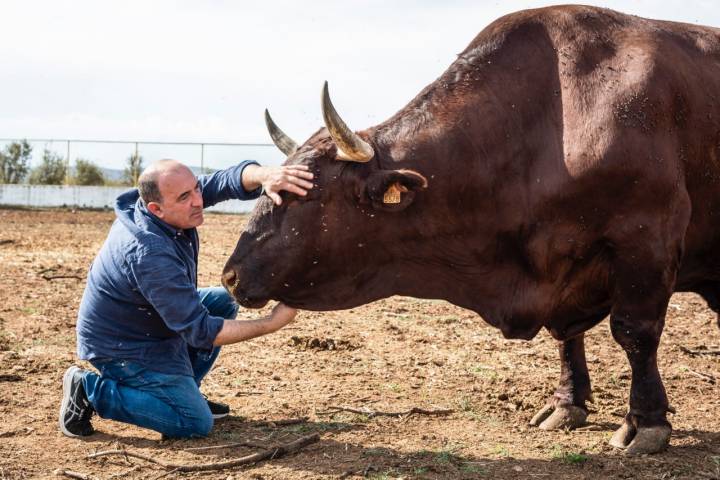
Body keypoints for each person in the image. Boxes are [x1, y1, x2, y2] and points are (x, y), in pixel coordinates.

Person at [59, 158, 313, 439]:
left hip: (147, 320)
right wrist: (271, 323)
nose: (197, 200)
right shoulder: (149, 253)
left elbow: (223, 180)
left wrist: (266, 175)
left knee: (222, 300)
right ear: (156, 208)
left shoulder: (166, 205)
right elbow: (201, 330)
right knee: (193, 422)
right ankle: (90, 391)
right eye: (185, 197)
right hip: (123, 346)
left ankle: (183, 391)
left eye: (195, 189)